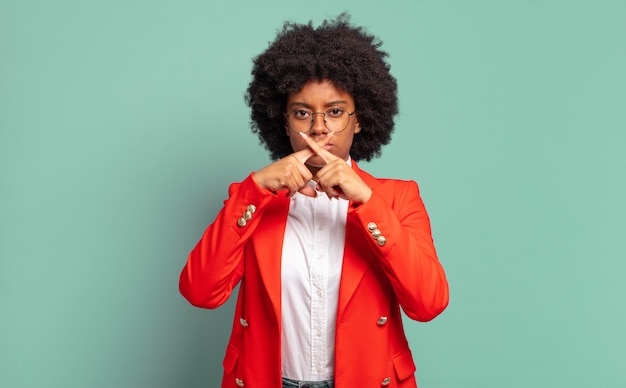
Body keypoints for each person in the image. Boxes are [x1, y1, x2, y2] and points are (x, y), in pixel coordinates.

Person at [179, 13, 449, 388]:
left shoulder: (396, 198)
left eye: (335, 112)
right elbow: (200, 292)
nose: (319, 127)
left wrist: (367, 202)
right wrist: (255, 188)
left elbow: (428, 303)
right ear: (283, 122)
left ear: (360, 119)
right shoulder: (253, 200)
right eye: (302, 113)